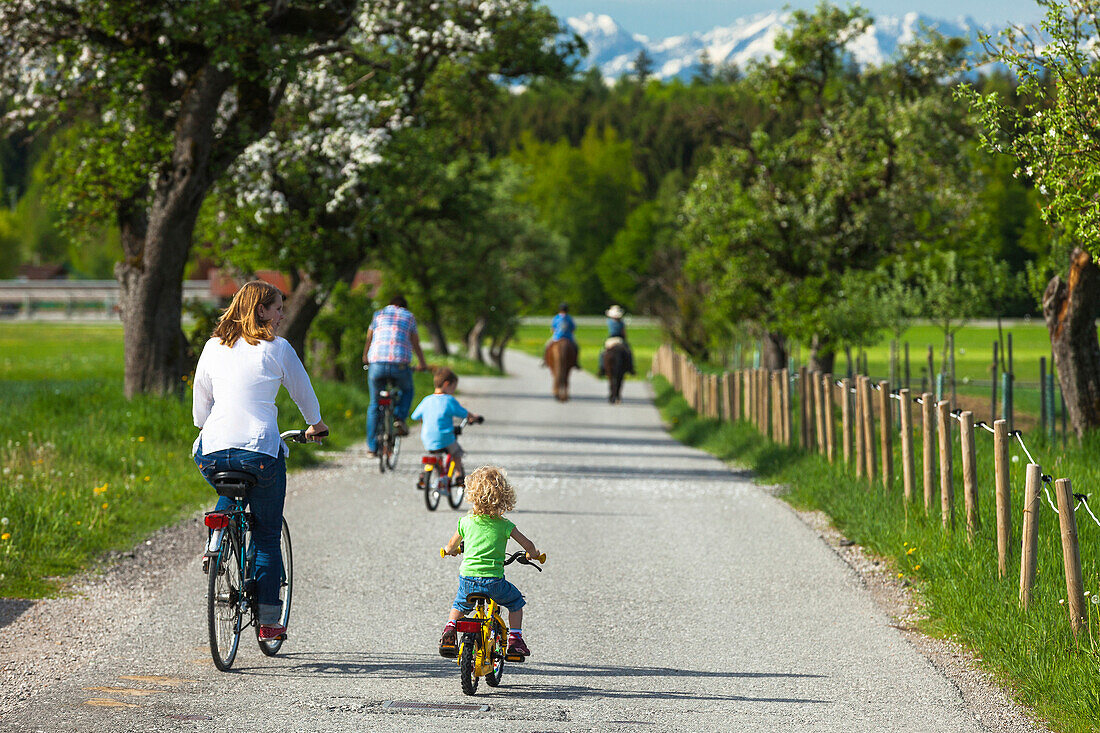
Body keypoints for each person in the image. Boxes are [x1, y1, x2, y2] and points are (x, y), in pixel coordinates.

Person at [192, 280, 328, 642]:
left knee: (229, 483)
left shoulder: (212, 346)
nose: (283, 316)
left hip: (212, 450)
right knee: (267, 534)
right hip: (260, 451)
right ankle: (268, 618)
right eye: (278, 308)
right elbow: (303, 391)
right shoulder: (278, 348)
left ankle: (217, 539)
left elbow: (199, 407)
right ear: (260, 310)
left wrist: (211, 427)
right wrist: (315, 424)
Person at [439, 466, 541, 659]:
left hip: (468, 580)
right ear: (504, 497)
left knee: (460, 604)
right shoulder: (505, 526)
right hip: (493, 582)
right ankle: (515, 640)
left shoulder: (465, 522)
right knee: (515, 602)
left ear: (471, 495)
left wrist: (450, 551)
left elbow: (451, 547)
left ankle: (449, 630)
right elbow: (528, 545)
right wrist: (533, 554)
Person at [362, 295, 428, 457]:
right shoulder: (409, 316)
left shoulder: (379, 314)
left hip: (376, 363)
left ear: (390, 304)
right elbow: (415, 343)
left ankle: (372, 447)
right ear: (404, 306)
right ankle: (399, 416)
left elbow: (369, 337)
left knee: (374, 404)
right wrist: (422, 364)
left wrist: (365, 356)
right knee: (407, 390)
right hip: (400, 364)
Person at [410, 368, 480, 486]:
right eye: (453, 387)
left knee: (435, 454)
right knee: (457, 453)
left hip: (427, 438)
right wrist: (473, 417)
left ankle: (425, 475)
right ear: (447, 384)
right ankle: (458, 475)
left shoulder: (426, 400)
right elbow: (463, 413)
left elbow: (415, 416)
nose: (453, 391)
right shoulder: (449, 400)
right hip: (445, 437)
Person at [598, 304, 635, 376]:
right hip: (620, 339)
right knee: (629, 352)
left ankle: (602, 367)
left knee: (602, 352)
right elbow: (623, 332)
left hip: (611, 339)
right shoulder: (621, 322)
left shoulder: (609, 322)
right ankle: (630, 367)